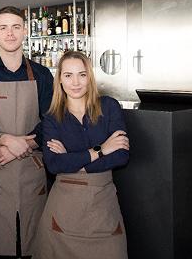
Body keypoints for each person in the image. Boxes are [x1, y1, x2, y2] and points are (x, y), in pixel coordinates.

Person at [0, 6, 53, 258]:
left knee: (33, 243)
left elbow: (52, 120)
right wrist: (3, 139)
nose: (10, 33)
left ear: (25, 31)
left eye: (16, 27)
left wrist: (22, 146)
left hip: (31, 168)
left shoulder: (43, 75)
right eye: (3, 27)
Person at [33, 50, 129, 259]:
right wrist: (101, 150)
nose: (75, 82)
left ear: (90, 77)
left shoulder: (109, 106)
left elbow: (121, 154)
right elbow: (54, 165)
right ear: (59, 79)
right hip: (64, 211)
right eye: (68, 75)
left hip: (103, 208)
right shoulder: (51, 117)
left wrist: (74, 161)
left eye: (82, 74)